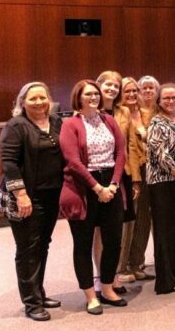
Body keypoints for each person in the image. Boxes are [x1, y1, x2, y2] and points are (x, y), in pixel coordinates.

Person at [59, 80, 128, 314]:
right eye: (88, 94)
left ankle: (107, 288)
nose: (94, 97)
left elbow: (121, 153)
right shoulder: (70, 124)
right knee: (83, 243)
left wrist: (114, 184)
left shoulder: (109, 120)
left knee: (113, 241)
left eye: (96, 94)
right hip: (83, 187)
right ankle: (90, 296)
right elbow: (72, 161)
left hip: (111, 183)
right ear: (78, 98)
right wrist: (98, 188)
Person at [0, 82, 64, 321]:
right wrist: (21, 195)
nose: (39, 102)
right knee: (28, 249)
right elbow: (8, 163)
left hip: (51, 194)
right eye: (33, 98)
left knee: (42, 244)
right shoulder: (16, 125)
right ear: (22, 102)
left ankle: (39, 293)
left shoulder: (56, 121)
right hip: (26, 196)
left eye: (42, 97)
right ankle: (32, 303)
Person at [146, 84, 175, 294]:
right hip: (163, 182)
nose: (171, 101)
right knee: (164, 233)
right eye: (166, 98)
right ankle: (165, 282)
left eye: (174, 97)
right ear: (159, 101)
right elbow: (161, 155)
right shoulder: (157, 122)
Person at [96, 71, 132, 293]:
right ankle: (102, 277)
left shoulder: (123, 111)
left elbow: (128, 145)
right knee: (100, 229)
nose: (112, 89)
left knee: (115, 228)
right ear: (98, 85)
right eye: (107, 84)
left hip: (121, 173)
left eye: (116, 86)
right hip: (98, 175)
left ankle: (113, 274)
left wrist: (134, 180)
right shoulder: (88, 110)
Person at [126, 75, 160, 282]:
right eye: (142, 88)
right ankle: (127, 264)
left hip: (152, 170)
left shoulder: (151, 113)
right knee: (134, 220)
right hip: (132, 172)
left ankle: (138, 261)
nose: (146, 92)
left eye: (151, 88)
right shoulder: (123, 113)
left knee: (146, 219)